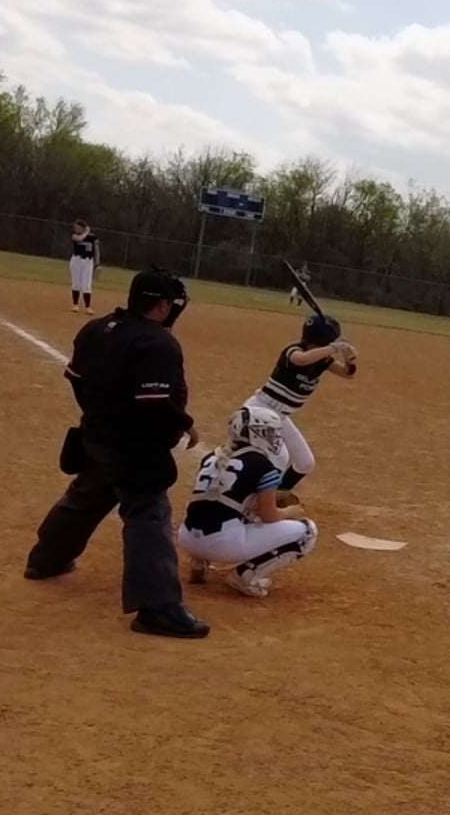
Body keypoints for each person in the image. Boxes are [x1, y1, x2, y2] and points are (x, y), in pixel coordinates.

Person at [24, 266, 209, 639]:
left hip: (97, 435)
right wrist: (185, 422)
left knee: (87, 495)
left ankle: (46, 559)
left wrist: (99, 416)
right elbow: (154, 402)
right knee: (148, 513)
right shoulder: (157, 343)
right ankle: (157, 607)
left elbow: (76, 380)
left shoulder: (97, 328)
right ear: (161, 305)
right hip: (134, 446)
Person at [181, 406, 318, 598]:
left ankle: (198, 560)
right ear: (256, 434)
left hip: (187, 538)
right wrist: (291, 512)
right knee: (307, 532)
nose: (274, 438)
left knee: (215, 506)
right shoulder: (263, 465)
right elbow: (269, 516)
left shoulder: (211, 457)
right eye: (269, 432)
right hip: (222, 543)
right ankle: (245, 576)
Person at [241, 313, 357, 498]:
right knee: (280, 458)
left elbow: (347, 374)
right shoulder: (294, 350)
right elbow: (301, 359)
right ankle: (257, 501)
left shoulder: (322, 360)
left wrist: (350, 361)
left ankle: (277, 496)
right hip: (261, 410)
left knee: (305, 462)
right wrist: (333, 347)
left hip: (280, 416)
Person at [68, 219, 99, 314]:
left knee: (86, 285)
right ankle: (75, 305)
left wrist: (97, 263)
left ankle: (88, 307)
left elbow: (96, 250)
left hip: (88, 261)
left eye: (78, 227)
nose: (76, 229)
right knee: (76, 283)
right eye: (75, 227)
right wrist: (86, 231)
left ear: (83, 228)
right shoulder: (75, 236)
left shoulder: (92, 237)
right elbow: (79, 239)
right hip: (76, 260)